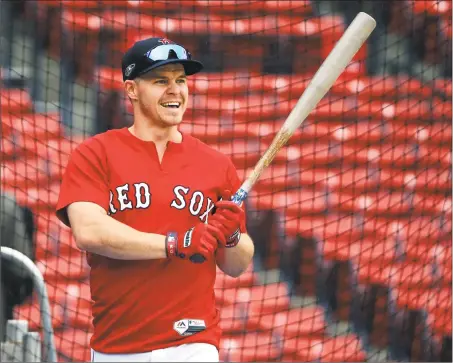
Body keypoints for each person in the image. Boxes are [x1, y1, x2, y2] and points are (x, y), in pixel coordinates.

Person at [55, 37, 255, 362]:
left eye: (181, 80)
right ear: (132, 90)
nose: (175, 90)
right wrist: (175, 243)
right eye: (161, 81)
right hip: (117, 347)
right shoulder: (95, 154)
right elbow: (89, 232)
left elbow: (236, 265)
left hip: (194, 342)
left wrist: (231, 235)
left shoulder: (217, 165)